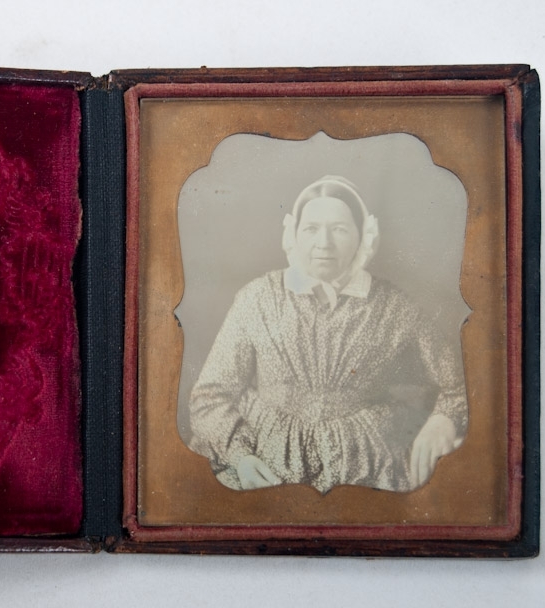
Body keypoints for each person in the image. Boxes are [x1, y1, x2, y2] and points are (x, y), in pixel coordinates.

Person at [187, 175, 467, 493]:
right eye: (311, 228)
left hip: (366, 465)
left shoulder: (394, 307)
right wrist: (240, 458)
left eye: (340, 229)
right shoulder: (258, 298)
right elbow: (210, 396)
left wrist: (442, 421)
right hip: (263, 460)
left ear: (362, 236)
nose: (324, 243)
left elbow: (461, 388)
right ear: (294, 234)